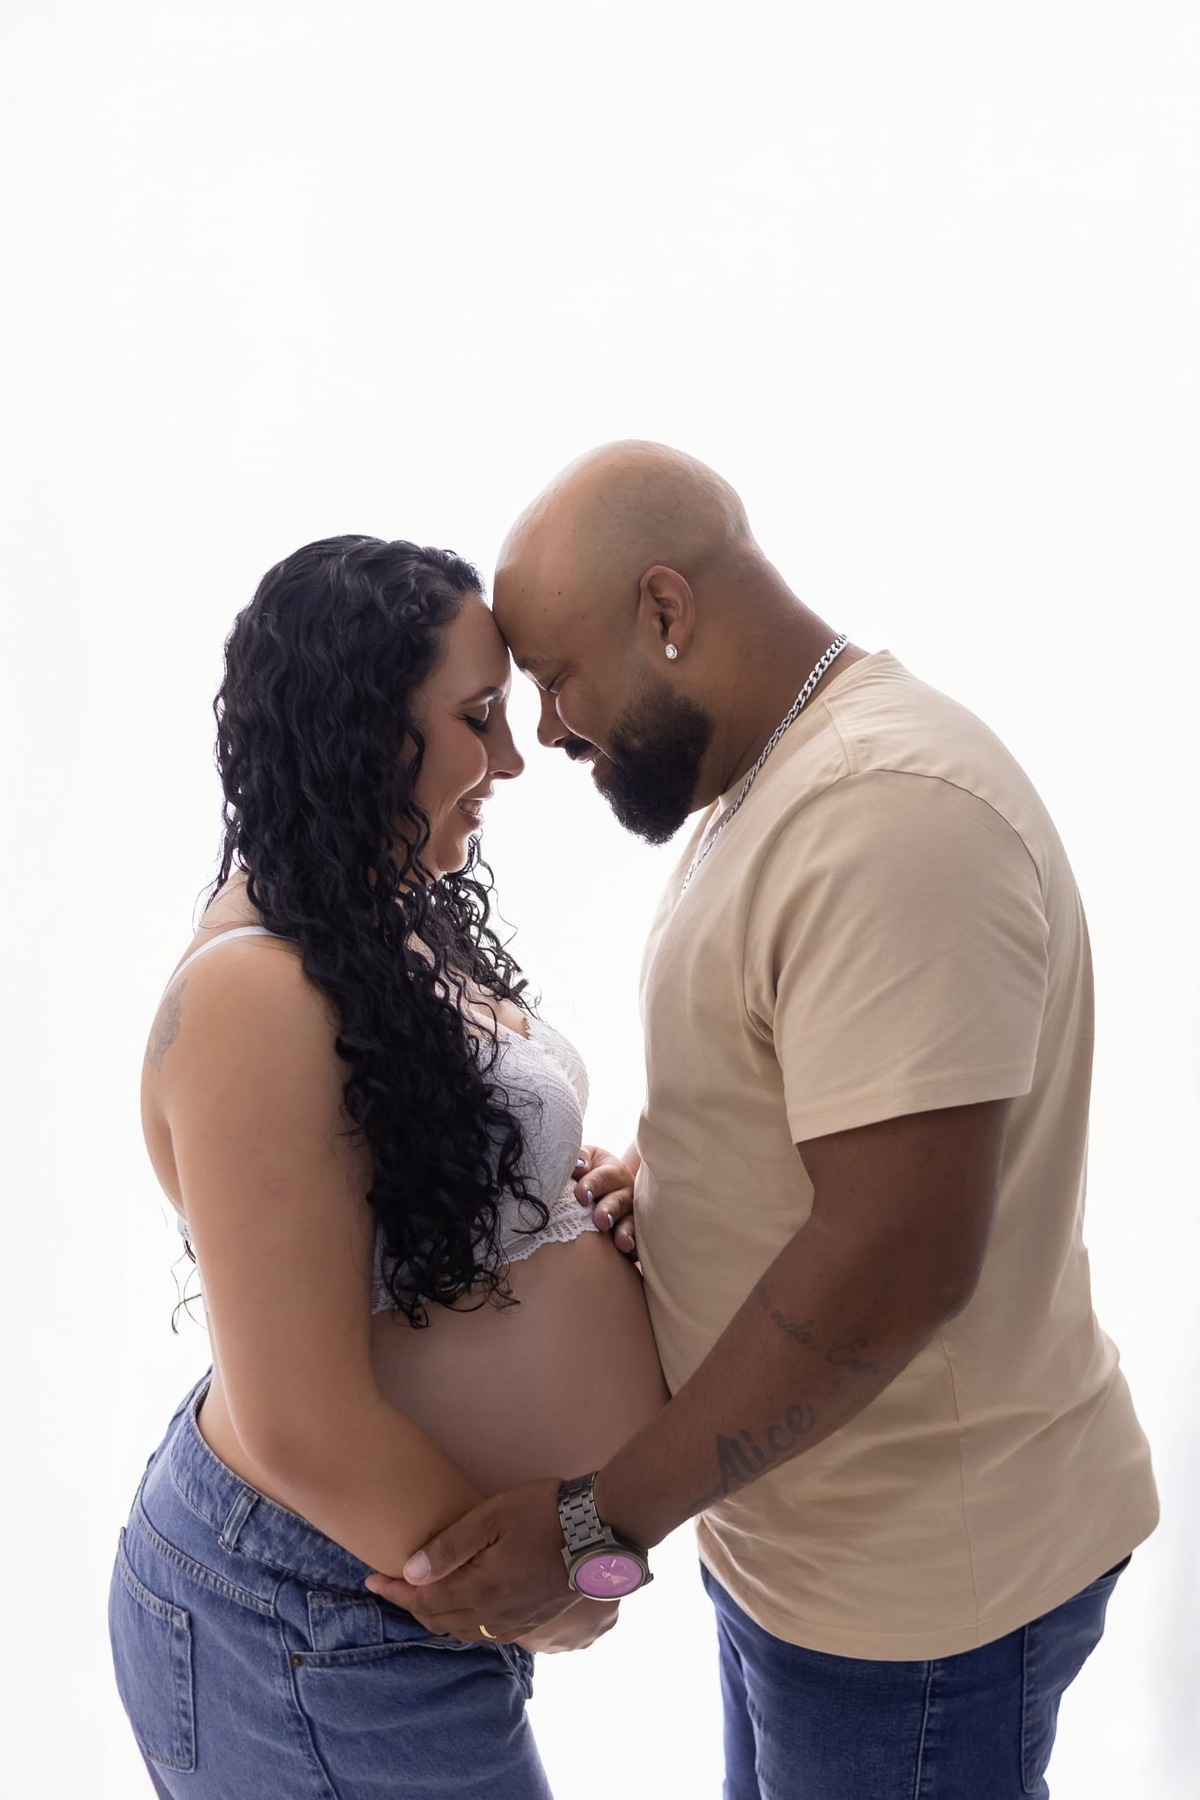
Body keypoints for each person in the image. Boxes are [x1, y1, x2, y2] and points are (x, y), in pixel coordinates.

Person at [366, 442, 1160, 1800]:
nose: (545, 735)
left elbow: (895, 1258)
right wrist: (679, 1187)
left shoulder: (884, 814)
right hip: (811, 1558)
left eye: (557, 679)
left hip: (918, 1604)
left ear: (665, 611)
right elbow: (833, 1114)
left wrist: (595, 1528)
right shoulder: (776, 786)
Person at [107, 535, 670, 1800]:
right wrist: (567, 1578)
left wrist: (573, 1195)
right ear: (362, 729)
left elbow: (413, 1208)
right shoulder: (253, 994)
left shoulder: (372, 913)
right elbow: (303, 1423)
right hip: (308, 1612)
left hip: (371, 1611)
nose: (512, 760)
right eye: (477, 719)